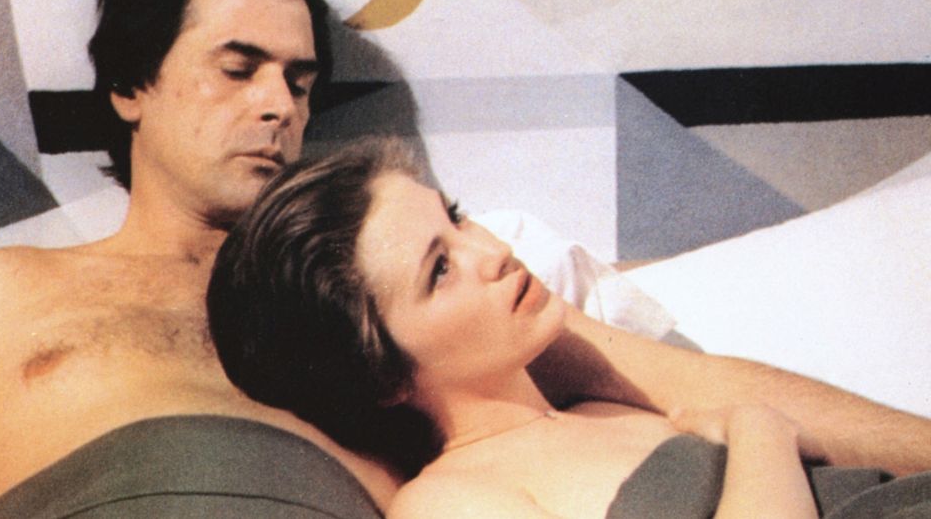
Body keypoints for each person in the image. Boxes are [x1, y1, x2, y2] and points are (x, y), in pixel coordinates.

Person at [0, 0, 929, 518]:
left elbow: (697, 384)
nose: (279, 105)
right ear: (131, 85)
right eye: (239, 67)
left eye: (300, 81)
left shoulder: (399, 301)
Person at [207, 139, 931, 518]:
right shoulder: (449, 505)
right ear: (382, 374)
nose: (493, 251)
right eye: (441, 269)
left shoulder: (603, 402)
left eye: (456, 218)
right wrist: (760, 432)